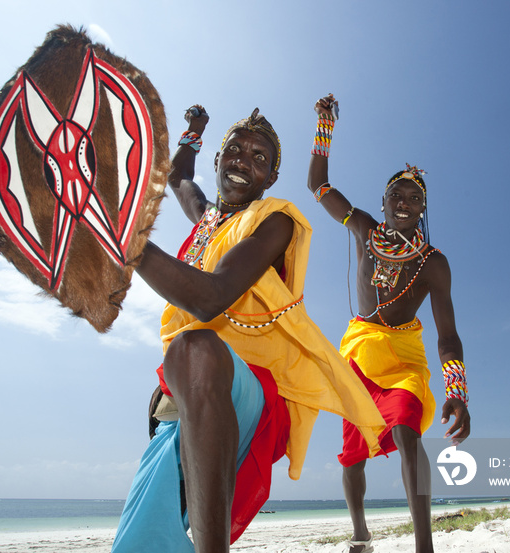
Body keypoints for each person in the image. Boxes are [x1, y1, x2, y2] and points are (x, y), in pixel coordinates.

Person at [111, 106, 386, 553]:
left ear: (270, 178)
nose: (243, 160)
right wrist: (194, 132)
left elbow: (210, 297)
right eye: (235, 150)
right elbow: (180, 174)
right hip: (181, 396)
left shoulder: (274, 221)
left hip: (249, 393)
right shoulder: (205, 219)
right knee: (139, 544)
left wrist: (127, 242)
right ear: (218, 161)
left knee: (195, 348)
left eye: (260, 157)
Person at [307, 94, 471, 553]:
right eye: (396, 194)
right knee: (353, 453)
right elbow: (317, 185)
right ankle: (360, 531)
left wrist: (457, 392)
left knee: (406, 427)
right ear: (382, 202)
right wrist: (325, 125)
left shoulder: (434, 263)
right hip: (358, 348)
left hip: (403, 356)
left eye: (414, 197)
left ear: (423, 209)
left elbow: (449, 336)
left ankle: (424, 546)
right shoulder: (360, 226)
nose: (404, 201)